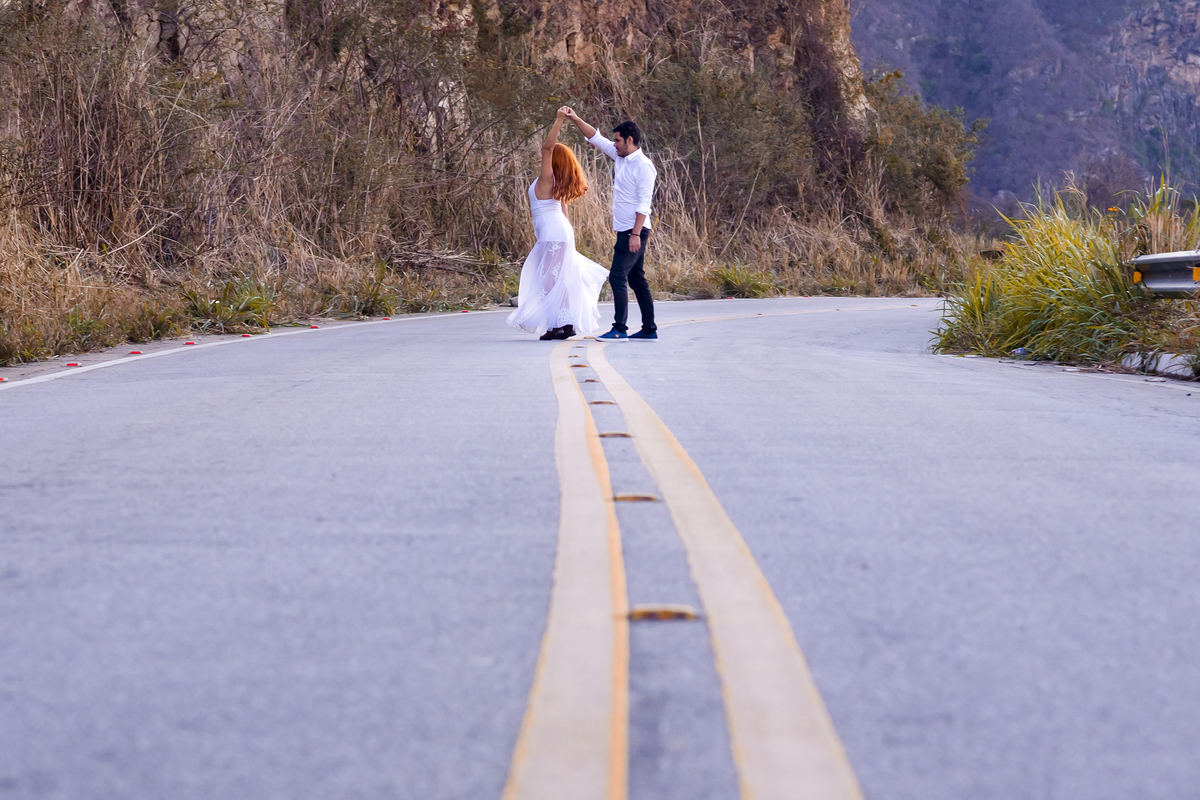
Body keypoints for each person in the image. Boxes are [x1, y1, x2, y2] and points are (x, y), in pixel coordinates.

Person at [506, 109, 610, 340]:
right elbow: (562, 209)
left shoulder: (547, 178)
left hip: (554, 233)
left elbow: (546, 148)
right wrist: (568, 235)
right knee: (557, 279)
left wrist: (560, 119)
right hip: (559, 231)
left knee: (548, 280)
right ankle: (565, 323)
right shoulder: (556, 183)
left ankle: (557, 325)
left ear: (553, 160)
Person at [561, 108, 658, 340]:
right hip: (625, 230)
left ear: (630, 140)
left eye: (617, 140)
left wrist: (635, 234)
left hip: (634, 232)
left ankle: (619, 329)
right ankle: (649, 329)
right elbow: (595, 137)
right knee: (637, 279)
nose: (614, 144)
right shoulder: (620, 157)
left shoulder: (643, 166)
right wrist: (574, 119)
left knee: (617, 276)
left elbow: (644, 204)